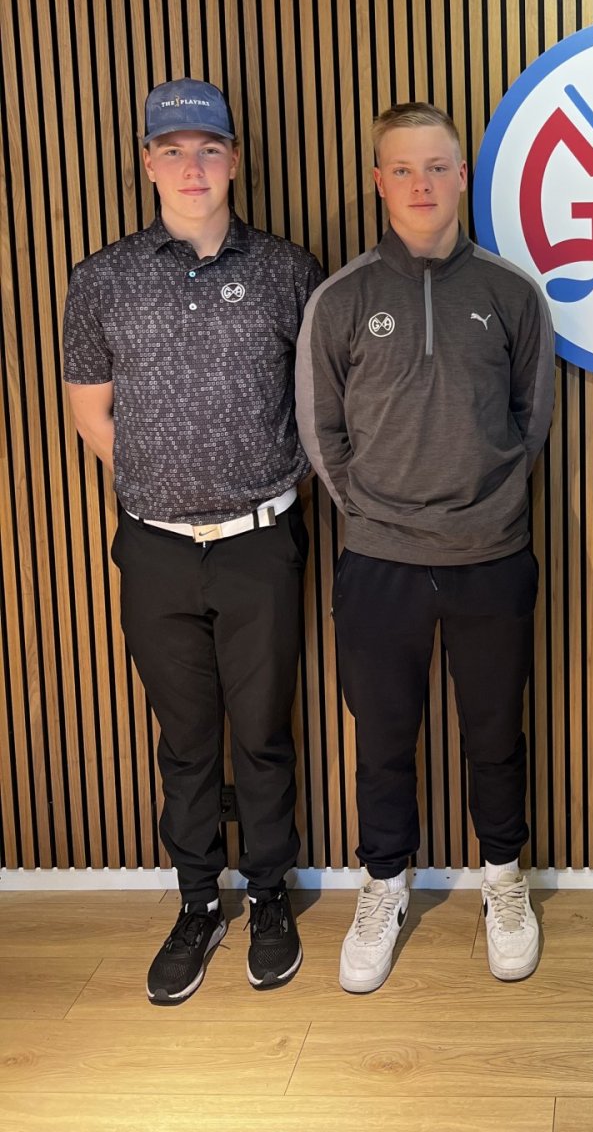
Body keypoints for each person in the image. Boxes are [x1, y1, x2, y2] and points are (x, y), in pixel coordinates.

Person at [62, 78, 323, 1004]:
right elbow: (91, 412)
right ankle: (197, 902)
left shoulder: (290, 271)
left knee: (262, 734)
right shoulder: (102, 279)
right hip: (156, 548)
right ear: (147, 163)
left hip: (261, 543)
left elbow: (319, 408)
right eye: (172, 150)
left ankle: (270, 896)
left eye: (209, 149)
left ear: (235, 160)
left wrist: (254, 485)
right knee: (184, 739)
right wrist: (168, 483)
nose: (192, 166)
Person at [296, 101, 555, 991]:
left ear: (462, 177)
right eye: (402, 168)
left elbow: (530, 421)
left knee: (496, 734)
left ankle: (504, 881)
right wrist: (372, 514)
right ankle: (384, 885)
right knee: (382, 739)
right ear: (379, 180)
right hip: (380, 563)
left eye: (437, 167)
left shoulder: (512, 295)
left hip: (491, 555)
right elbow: (321, 431)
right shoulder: (342, 299)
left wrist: (488, 505)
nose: (421, 184)